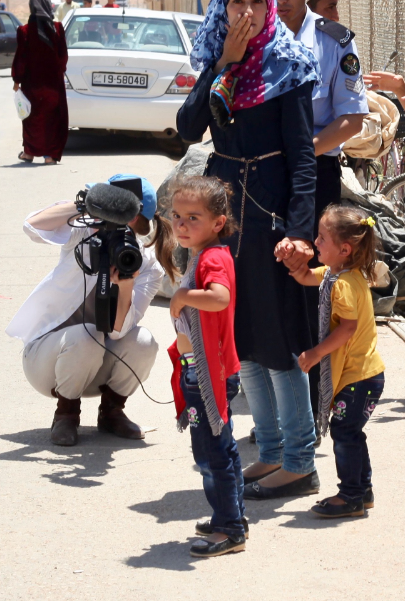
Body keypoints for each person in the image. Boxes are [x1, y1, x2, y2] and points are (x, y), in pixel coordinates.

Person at [177, 0, 322, 500]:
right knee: (242, 339)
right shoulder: (219, 63)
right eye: (237, 2)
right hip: (225, 218)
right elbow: (188, 130)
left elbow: (304, 159)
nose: (247, 13)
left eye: (256, 3)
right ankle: (272, 451)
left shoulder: (290, 65)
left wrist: (301, 232)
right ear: (223, 7)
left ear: (269, 8)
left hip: (270, 219)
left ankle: (301, 460)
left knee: (279, 339)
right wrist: (224, 64)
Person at [257, 0, 368, 422]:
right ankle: (271, 397)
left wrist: (300, 151)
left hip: (315, 174)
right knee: (264, 282)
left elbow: (352, 120)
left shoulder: (335, 40)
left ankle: (313, 400)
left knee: (310, 287)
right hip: (259, 177)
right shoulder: (245, 38)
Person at [6, 175, 176, 446]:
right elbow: (31, 226)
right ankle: (66, 414)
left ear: (137, 221)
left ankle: (112, 412)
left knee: (144, 341)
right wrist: (85, 205)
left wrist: (126, 285)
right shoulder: (82, 233)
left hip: (96, 367)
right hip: (46, 364)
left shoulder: (144, 265)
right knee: (88, 336)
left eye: (126, 217)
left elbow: (119, 333)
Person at [290, 206, 385, 519]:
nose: (316, 242)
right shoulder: (337, 274)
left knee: (345, 433)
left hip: (359, 378)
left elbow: (347, 328)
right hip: (363, 376)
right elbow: (306, 276)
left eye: (321, 238)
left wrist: (316, 353)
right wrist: (295, 262)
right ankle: (363, 490)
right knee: (351, 433)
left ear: (345, 249)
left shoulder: (343, 284)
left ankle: (351, 495)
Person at [168, 176, 245, 558]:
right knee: (222, 449)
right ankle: (231, 517)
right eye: (177, 216)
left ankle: (230, 529)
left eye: (193, 217)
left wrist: (182, 295)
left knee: (212, 454)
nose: (182, 225)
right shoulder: (202, 252)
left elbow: (219, 298)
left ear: (218, 223)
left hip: (208, 373)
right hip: (201, 368)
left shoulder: (213, 257)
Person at [12, 0, 69, 165]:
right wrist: (57, 72)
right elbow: (63, 57)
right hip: (53, 85)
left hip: (32, 85)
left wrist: (17, 80)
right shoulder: (57, 29)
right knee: (52, 119)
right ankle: (50, 156)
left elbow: (21, 58)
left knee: (32, 119)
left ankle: (29, 153)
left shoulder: (24, 31)